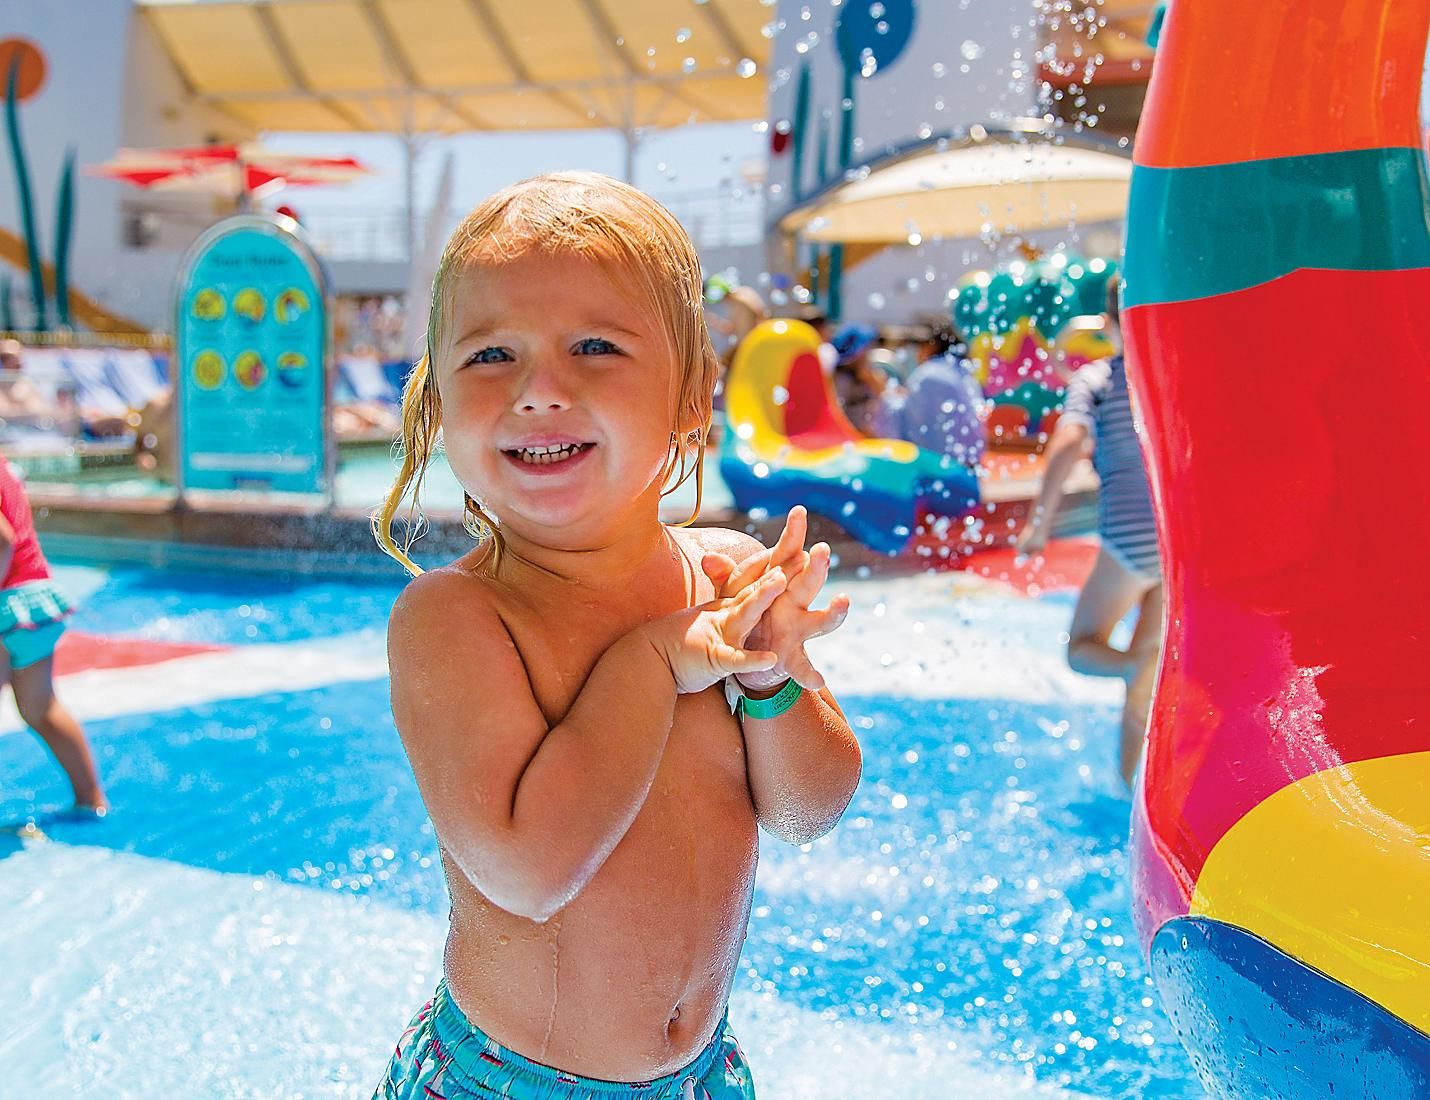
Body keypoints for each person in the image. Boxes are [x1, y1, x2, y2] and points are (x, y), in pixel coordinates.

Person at [370, 171, 862, 1100]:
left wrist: (775, 677)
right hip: (508, 1083)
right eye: (489, 357)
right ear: (436, 404)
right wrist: (651, 661)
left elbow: (810, 814)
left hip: (703, 1073)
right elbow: (528, 869)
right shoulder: (460, 618)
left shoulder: (722, 576)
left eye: (594, 346)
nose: (539, 389)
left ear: (691, 396)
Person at [1015, 276, 1163, 787]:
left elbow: (1069, 440)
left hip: (1131, 545)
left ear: (1108, 323)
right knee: (1144, 668)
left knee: (1083, 649)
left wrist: (1039, 523)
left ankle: (1129, 677)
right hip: (1178, 548)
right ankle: (1132, 795)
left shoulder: (1100, 377)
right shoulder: (1174, 372)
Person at [0, 457, 107, 815]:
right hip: (36, 602)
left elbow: (2, 540)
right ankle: (90, 800)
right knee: (40, 710)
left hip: (6, 607)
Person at [897, 322, 986, 469]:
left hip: (940, 466)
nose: (916, 353)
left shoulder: (927, 375)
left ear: (931, 346)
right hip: (970, 462)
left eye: (918, 346)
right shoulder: (962, 369)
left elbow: (910, 424)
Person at [831, 322, 902, 437]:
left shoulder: (870, 374)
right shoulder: (841, 380)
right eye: (867, 346)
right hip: (851, 437)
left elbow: (887, 399)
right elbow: (838, 413)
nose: (869, 350)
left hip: (868, 436)